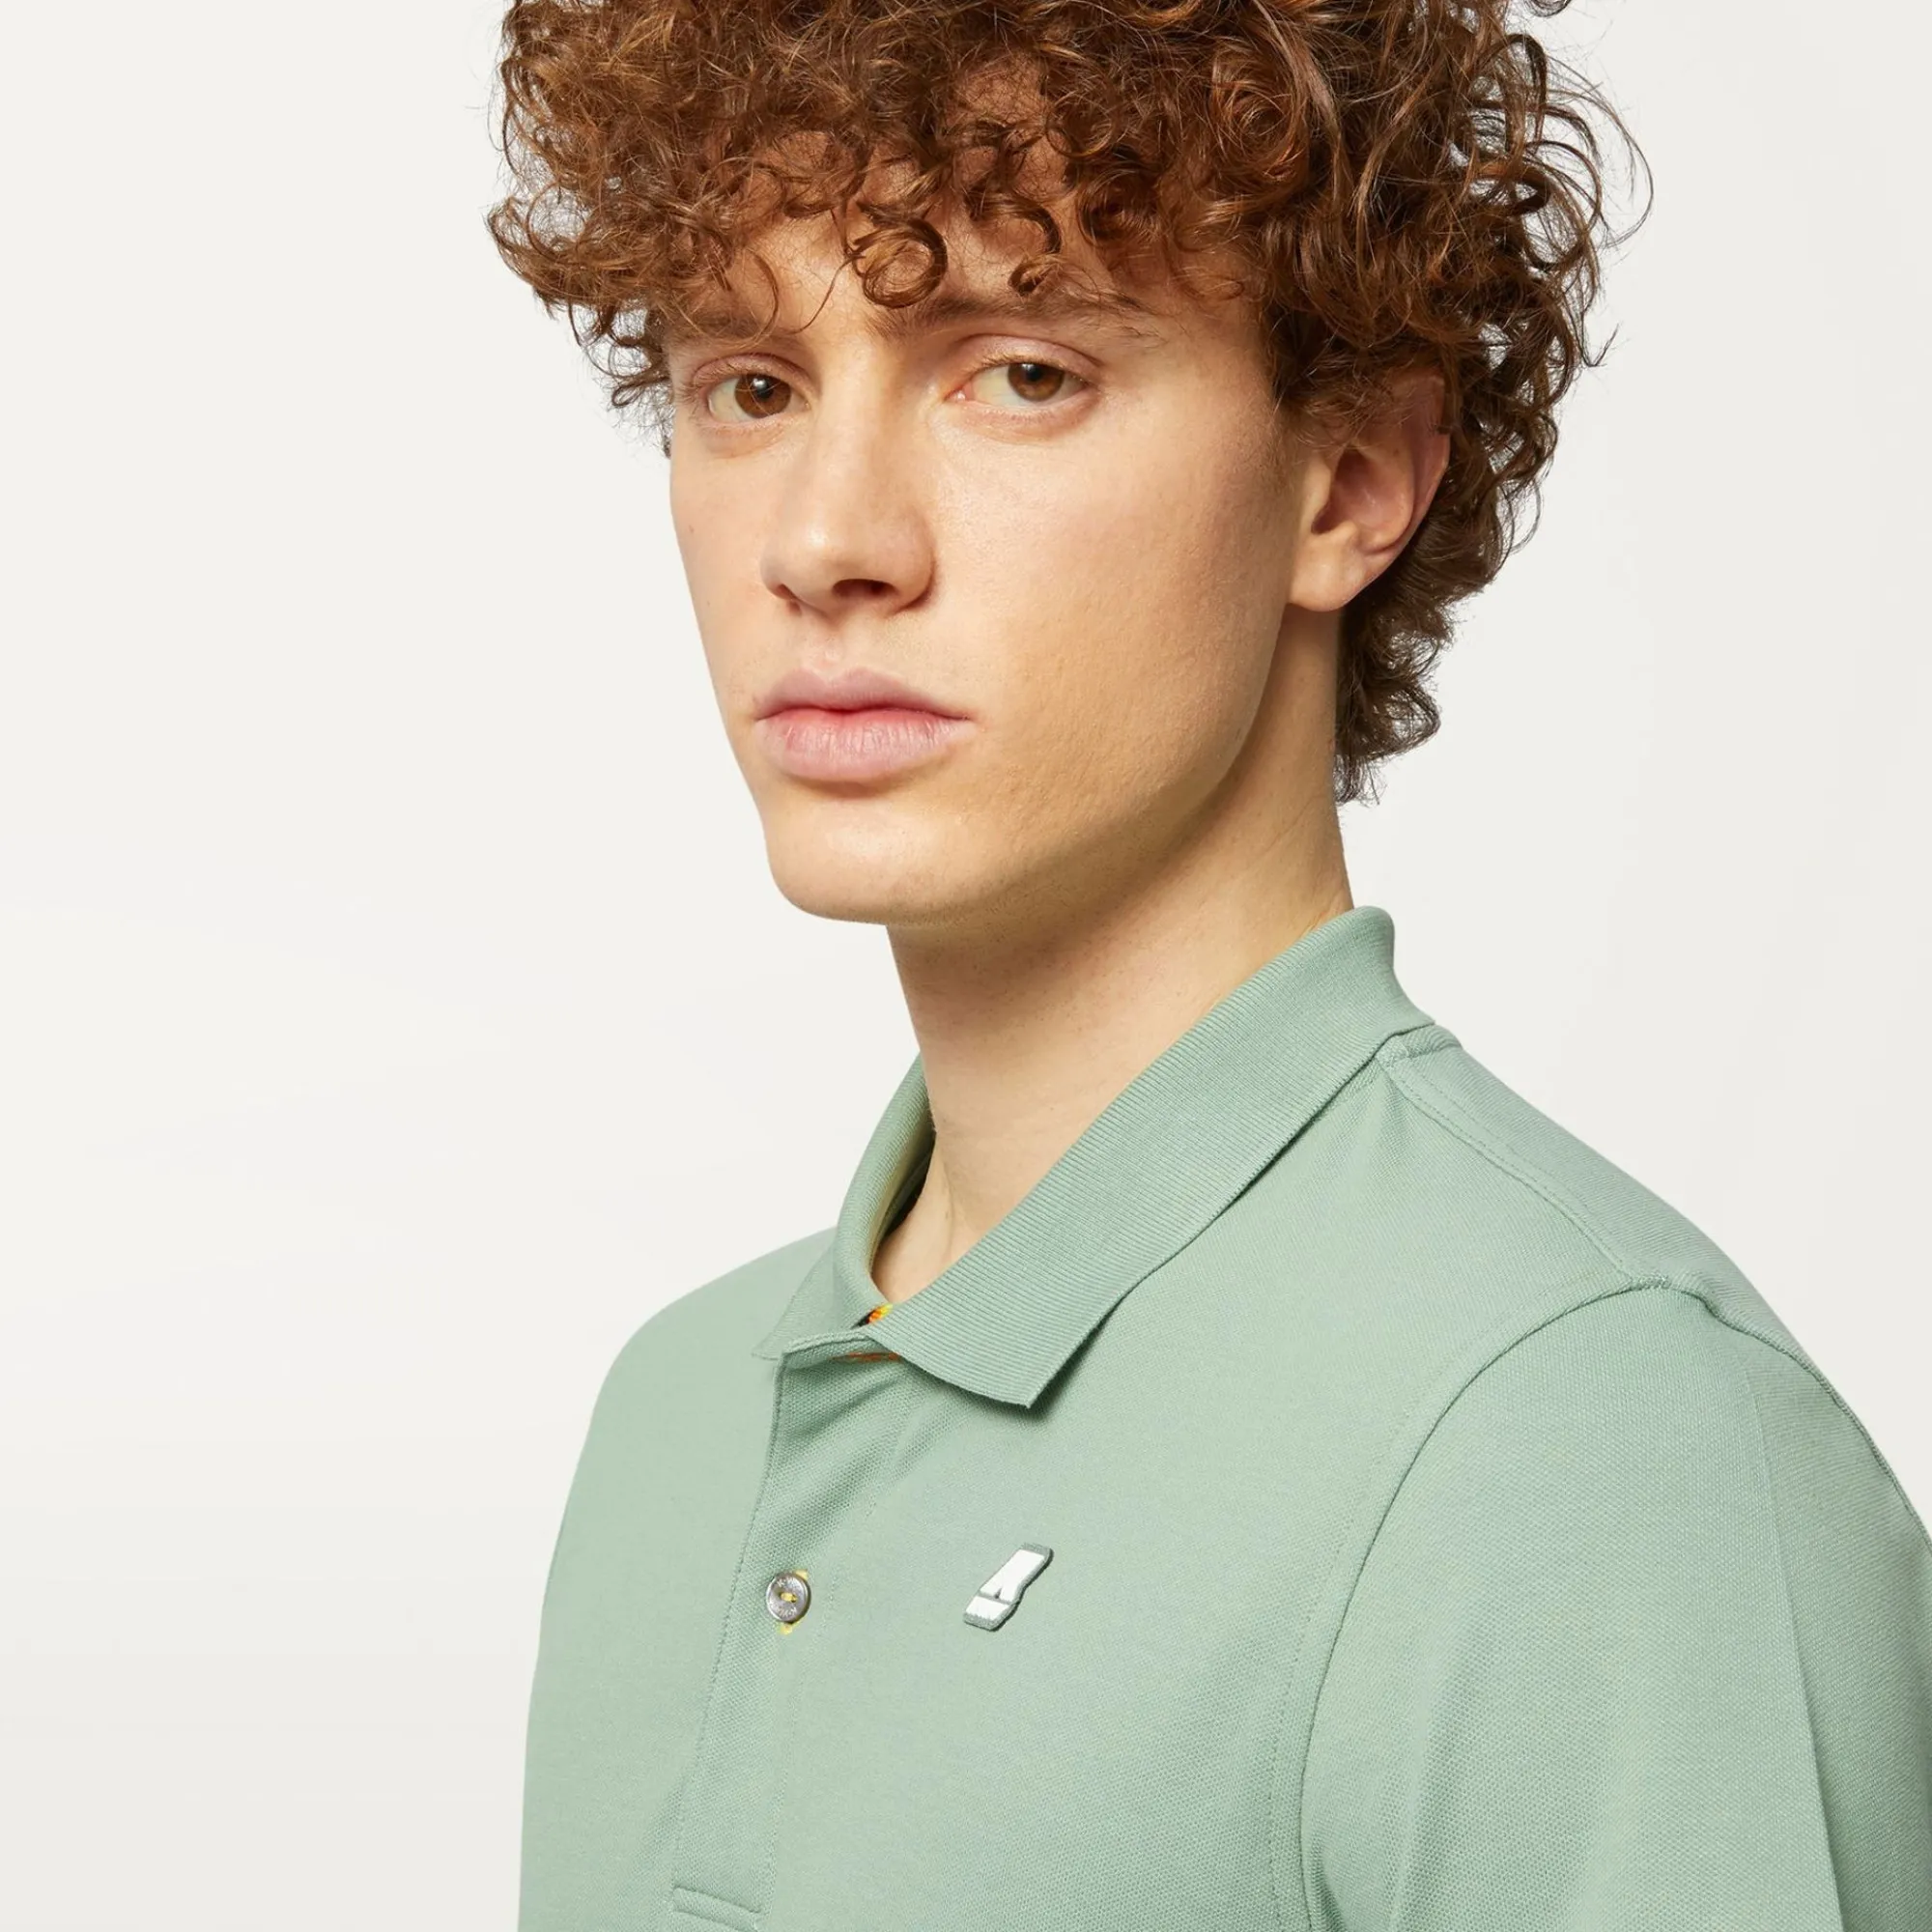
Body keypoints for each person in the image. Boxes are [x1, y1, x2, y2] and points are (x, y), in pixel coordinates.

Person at [485, 2, 1932, 1927]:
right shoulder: (674, 1421)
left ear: (1347, 481)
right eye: (750, 385)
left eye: (1020, 371)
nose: (826, 540)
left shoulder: (1580, 1443)